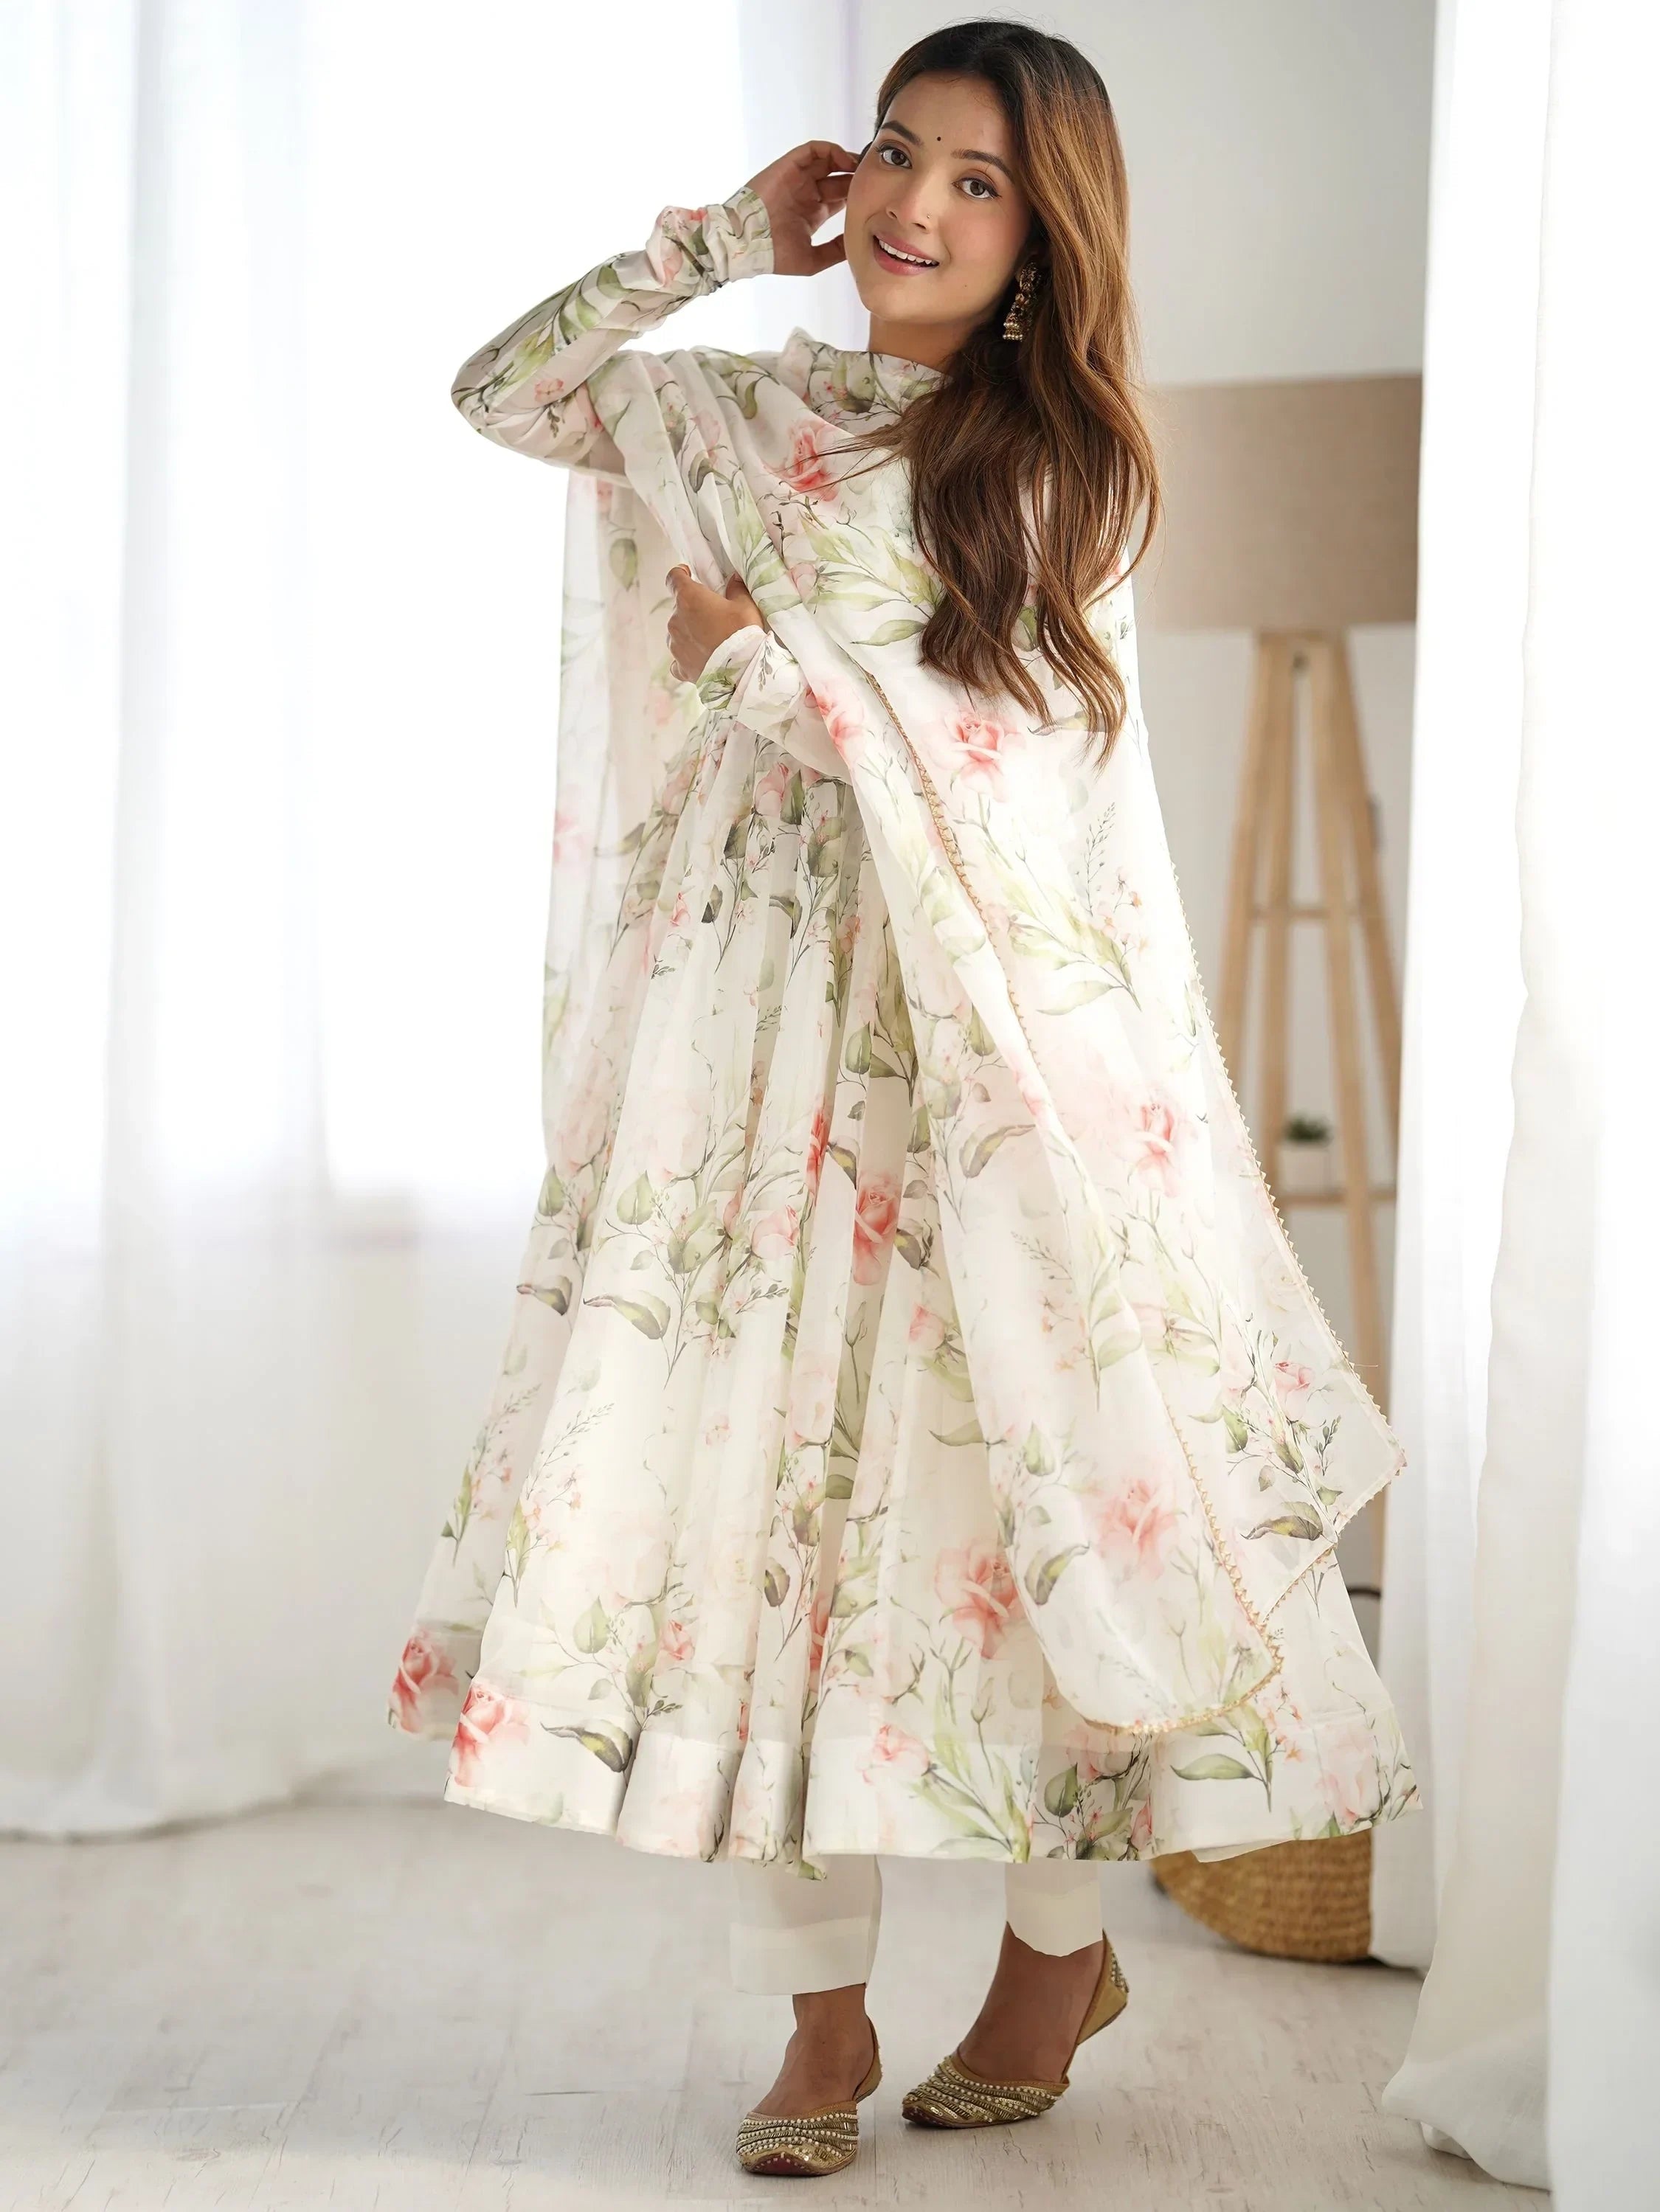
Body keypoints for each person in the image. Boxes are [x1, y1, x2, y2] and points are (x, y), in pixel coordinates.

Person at [389, 18, 1418, 2182]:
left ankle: (1056, 1956)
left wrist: (750, 668)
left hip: (976, 1076)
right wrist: (705, 248)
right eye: (893, 155)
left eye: (973, 180)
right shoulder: (741, 408)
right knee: (740, 1526)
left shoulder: (1053, 459)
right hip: (743, 1062)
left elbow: (1013, 782)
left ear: (1043, 236)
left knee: (999, 1511)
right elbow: (498, 396)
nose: (914, 208)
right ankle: (819, 2021)